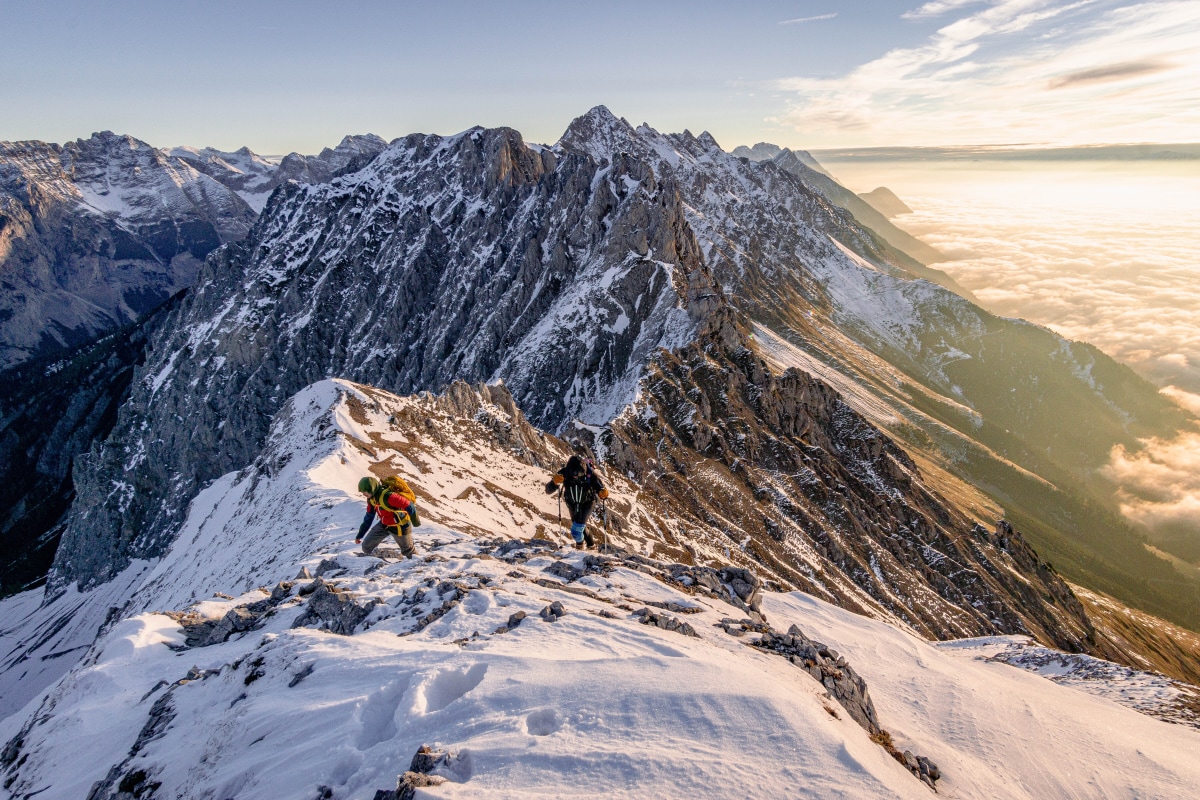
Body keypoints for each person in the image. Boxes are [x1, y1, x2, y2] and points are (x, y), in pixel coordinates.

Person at [547, 455, 608, 550]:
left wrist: (603, 493)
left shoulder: (590, 474)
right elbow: (548, 490)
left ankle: (580, 548)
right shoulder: (564, 473)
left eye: (580, 474)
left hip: (587, 503)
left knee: (576, 530)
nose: (577, 476)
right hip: (572, 504)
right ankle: (592, 547)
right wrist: (554, 483)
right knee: (581, 528)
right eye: (575, 474)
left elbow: (601, 489)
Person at [356, 476, 418, 558]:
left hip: (400, 526)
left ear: (372, 489)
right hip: (384, 525)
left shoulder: (388, 496)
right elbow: (369, 517)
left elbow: (409, 505)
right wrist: (360, 535)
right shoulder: (371, 499)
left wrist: (416, 523)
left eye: (365, 491)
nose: (363, 494)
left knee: (409, 552)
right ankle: (383, 561)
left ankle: (420, 567)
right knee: (366, 547)